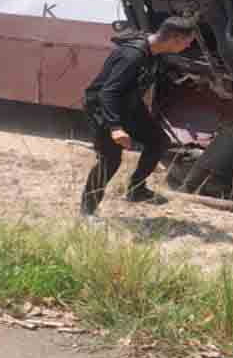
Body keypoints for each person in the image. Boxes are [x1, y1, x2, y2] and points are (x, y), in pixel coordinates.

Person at [80, 17, 198, 219]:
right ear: (175, 38)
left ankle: (136, 189)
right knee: (110, 160)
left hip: (129, 105)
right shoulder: (132, 56)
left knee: (158, 141)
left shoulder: (154, 50)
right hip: (104, 108)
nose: (189, 45)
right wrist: (115, 127)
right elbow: (108, 93)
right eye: (188, 41)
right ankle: (87, 211)